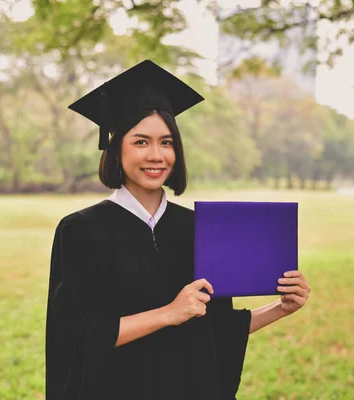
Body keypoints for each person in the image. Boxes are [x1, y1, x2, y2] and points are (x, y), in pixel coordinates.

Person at [45, 60, 311, 400]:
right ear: (115, 147)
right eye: (141, 142)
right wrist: (169, 314)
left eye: (166, 142)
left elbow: (218, 329)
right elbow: (79, 335)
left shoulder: (199, 227)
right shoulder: (81, 231)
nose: (156, 155)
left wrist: (282, 307)